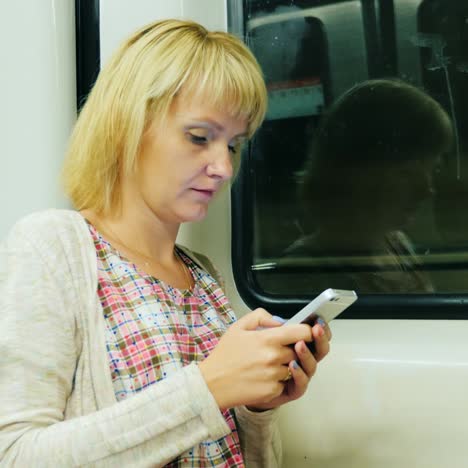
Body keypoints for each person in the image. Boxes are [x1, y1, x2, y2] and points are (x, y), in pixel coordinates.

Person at [0, 19, 331, 467]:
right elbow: (15, 454)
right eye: (199, 138)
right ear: (127, 125)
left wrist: (258, 406)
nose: (223, 168)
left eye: (233, 145)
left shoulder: (203, 275)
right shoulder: (53, 248)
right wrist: (209, 387)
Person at [284, 79, 453, 293]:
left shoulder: (397, 245)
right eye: (406, 173)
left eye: (431, 170)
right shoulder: (304, 273)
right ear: (355, 175)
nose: (426, 190)